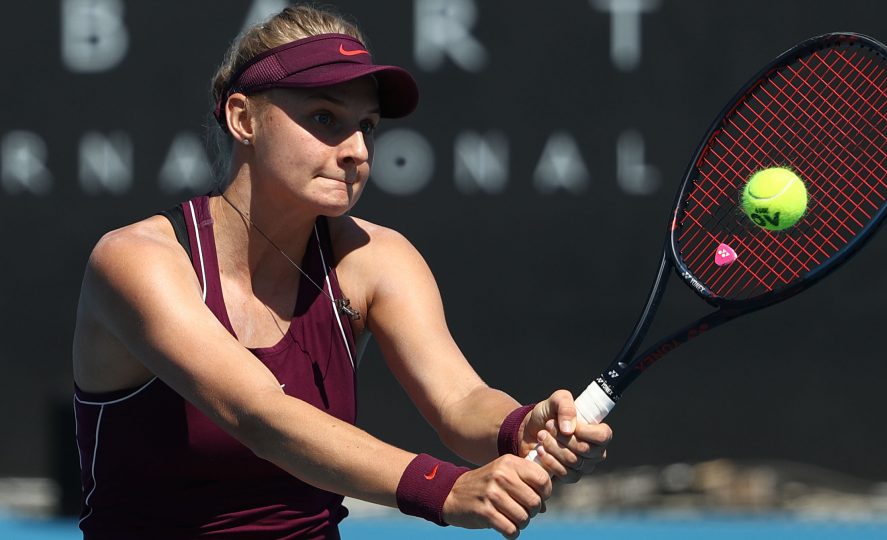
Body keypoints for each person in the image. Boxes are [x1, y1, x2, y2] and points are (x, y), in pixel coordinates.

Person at [72, 4, 612, 539]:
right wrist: (443, 487)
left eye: (368, 127)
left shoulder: (378, 258)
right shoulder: (137, 261)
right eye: (325, 119)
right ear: (243, 119)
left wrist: (521, 426)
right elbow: (257, 413)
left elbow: (461, 401)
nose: (357, 151)